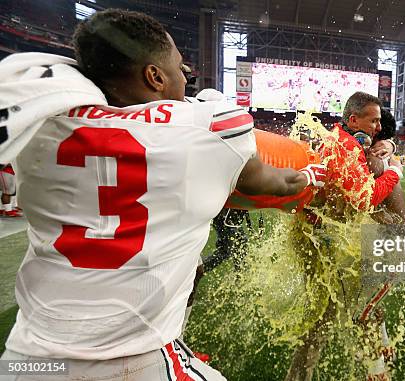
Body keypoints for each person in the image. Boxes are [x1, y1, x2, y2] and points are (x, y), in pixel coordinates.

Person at [0, 9, 325, 381]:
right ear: (154, 76)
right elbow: (275, 184)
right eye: (180, 69)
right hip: (130, 361)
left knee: (195, 268)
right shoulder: (208, 129)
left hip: (27, 359)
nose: (185, 78)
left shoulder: (41, 126)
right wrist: (311, 175)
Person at [285, 92, 405, 381]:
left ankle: (376, 357)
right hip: (323, 240)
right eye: (372, 120)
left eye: (379, 123)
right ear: (354, 120)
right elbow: (366, 200)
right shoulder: (347, 147)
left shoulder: (344, 142)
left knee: (340, 309)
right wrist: (395, 172)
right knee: (325, 316)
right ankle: (371, 369)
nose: (376, 126)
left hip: (318, 236)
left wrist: (388, 149)